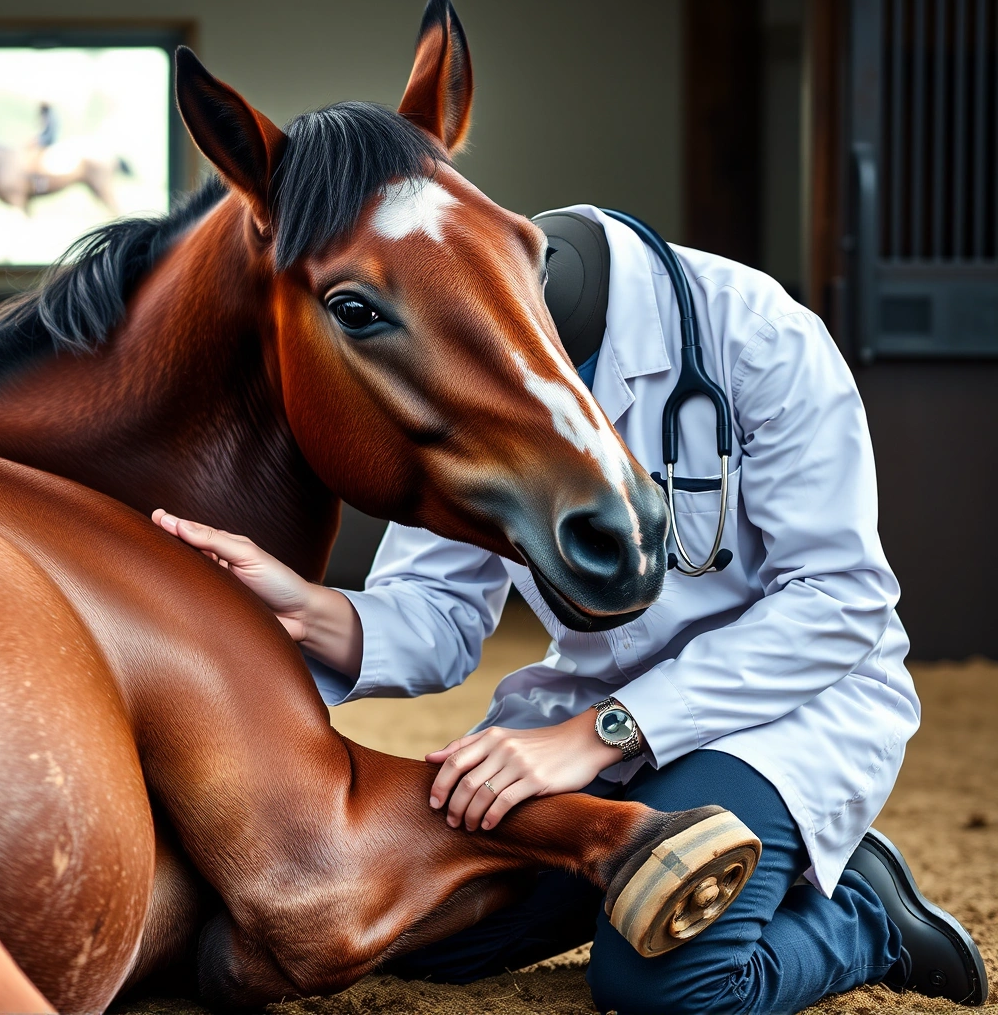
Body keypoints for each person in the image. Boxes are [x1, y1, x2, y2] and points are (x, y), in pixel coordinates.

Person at [153, 204, 988, 1013]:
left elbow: (837, 601)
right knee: (402, 932)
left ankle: (867, 918)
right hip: (589, 722)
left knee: (665, 988)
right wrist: (307, 608)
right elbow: (439, 611)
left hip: (783, 715)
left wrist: (598, 736)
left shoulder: (758, 336)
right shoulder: (475, 361)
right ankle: (703, 873)